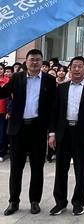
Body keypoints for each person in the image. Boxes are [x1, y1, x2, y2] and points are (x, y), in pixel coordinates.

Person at [0, 49, 56, 216]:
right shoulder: (17, 78)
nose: (35, 63)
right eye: (32, 60)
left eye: (38, 60)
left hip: (38, 130)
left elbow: (52, 107)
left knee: (37, 167)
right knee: (16, 168)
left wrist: (51, 131)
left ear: (42, 61)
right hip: (18, 129)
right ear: (26, 61)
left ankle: (34, 201)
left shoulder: (49, 80)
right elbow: (3, 93)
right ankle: (13, 201)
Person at [48, 57, 84, 216]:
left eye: (80, 66)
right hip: (63, 132)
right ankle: (60, 202)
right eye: (74, 66)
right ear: (69, 69)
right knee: (61, 169)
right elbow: (54, 111)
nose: (77, 69)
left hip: (82, 132)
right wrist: (52, 133)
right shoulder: (61, 88)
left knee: (81, 169)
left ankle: (78, 202)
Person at [0, 63, 10, 162]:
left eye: (1, 69)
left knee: (2, 133)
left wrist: (8, 111)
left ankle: (1, 153)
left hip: (3, 112)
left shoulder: (8, 81)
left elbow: (10, 98)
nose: (0, 71)